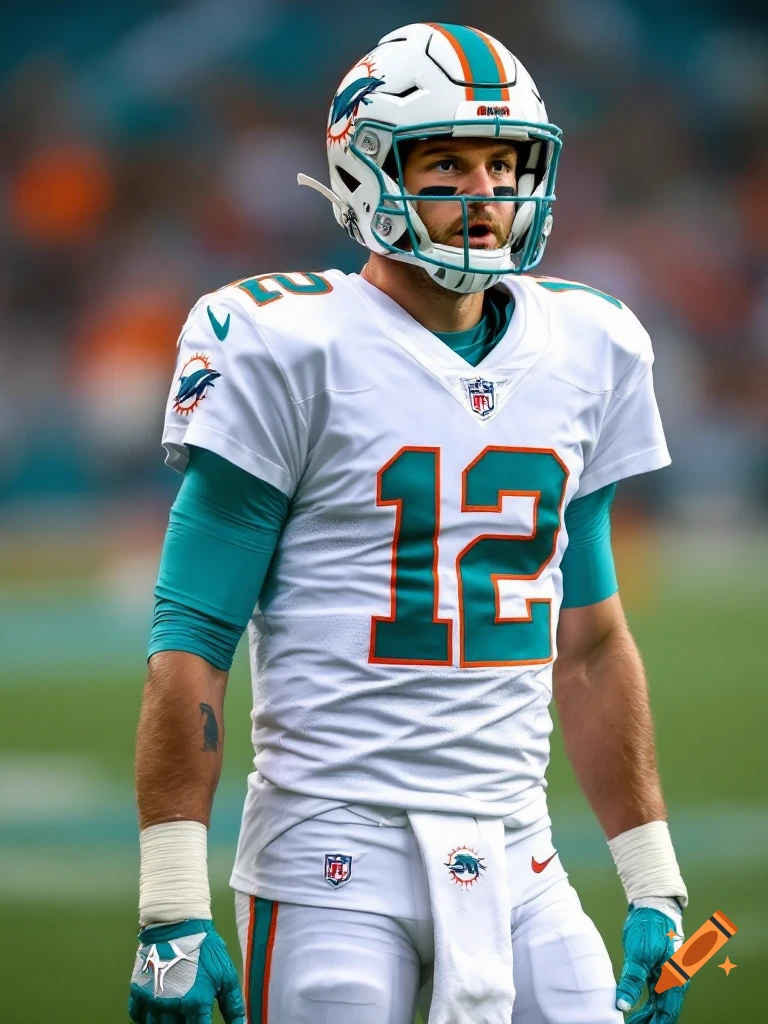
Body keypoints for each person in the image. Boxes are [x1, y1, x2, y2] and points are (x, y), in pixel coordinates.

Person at [129, 22, 690, 1024]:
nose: (484, 191)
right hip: (330, 861)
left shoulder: (589, 344)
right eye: (446, 162)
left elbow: (593, 643)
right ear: (366, 168)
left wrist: (653, 878)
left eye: (503, 162)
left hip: (523, 856)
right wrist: (171, 901)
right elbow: (192, 638)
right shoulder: (283, 340)